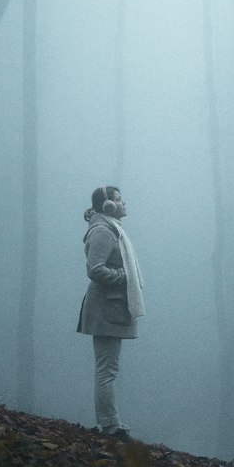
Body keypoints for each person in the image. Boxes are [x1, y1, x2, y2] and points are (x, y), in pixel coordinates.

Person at [76, 185, 145, 440]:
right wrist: (124, 276)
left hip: (111, 307)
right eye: (118, 199)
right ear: (107, 206)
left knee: (108, 367)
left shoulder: (111, 229)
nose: (124, 202)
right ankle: (110, 426)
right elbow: (95, 269)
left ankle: (111, 423)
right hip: (106, 309)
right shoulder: (103, 231)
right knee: (107, 369)